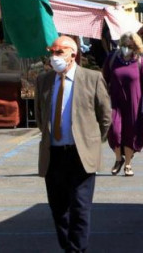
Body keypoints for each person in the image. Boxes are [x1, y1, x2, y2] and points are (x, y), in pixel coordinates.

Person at [36, 36, 112, 252]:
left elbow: (105, 116)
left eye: (59, 52)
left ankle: (77, 249)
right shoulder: (43, 80)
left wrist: (94, 142)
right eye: (52, 52)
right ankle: (68, 247)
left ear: (73, 54)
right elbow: (42, 117)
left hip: (81, 154)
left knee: (80, 207)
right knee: (59, 209)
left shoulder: (92, 78)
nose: (54, 57)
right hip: (54, 154)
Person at [102, 32, 143, 177]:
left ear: (136, 47)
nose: (126, 48)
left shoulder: (140, 62)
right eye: (124, 45)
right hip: (115, 102)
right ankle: (118, 159)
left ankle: (128, 164)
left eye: (130, 46)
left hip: (134, 104)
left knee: (130, 134)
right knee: (115, 131)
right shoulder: (112, 59)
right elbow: (102, 80)